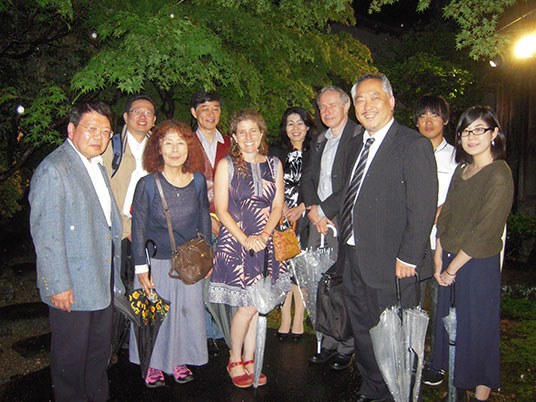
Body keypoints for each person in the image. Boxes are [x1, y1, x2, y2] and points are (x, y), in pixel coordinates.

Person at [341, 72, 438, 402]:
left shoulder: (412, 144)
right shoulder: (356, 143)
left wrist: (409, 257)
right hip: (354, 255)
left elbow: (423, 207)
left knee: (393, 334)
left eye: (374, 98)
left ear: (392, 102)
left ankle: (397, 393)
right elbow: (349, 194)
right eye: (360, 100)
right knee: (363, 330)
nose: (366, 106)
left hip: (393, 262)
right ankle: (373, 386)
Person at [29, 102, 124, 402]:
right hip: (71, 285)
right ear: (71, 130)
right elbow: (46, 235)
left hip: (99, 278)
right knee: (70, 360)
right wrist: (57, 284)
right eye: (91, 129)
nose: (99, 137)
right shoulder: (54, 169)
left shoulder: (97, 165)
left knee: (98, 353)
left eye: (106, 132)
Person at [430, 106, 514, 402]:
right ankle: (457, 386)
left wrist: (453, 269)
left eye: (480, 130)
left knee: (478, 328)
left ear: (494, 134)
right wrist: (440, 256)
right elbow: (446, 215)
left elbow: (485, 230)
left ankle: (480, 394)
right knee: (454, 327)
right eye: (466, 131)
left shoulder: (499, 174)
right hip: (450, 257)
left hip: (477, 264)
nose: (472, 137)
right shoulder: (462, 171)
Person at [208, 109, 290, 388]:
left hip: (266, 243)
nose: (248, 137)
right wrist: (246, 240)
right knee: (247, 305)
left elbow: (278, 205)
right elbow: (220, 208)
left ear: (262, 133)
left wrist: (265, 235)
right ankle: (234, 358)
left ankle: (251, 357)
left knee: (258, 304)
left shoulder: (275, 164)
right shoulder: (226, 165)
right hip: (237, 243)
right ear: (233, 136)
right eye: (241, 132)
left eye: (253, 130)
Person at [129, 120, 210, 388]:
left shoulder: (198, 180)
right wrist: (141, 268)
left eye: (181, 143)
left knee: (185, 315)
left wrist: (206, 256)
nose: (175, 149)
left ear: (189, 147)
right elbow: (138, 228)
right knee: (156, 318)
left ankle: (180, 359)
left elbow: (204, 219)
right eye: (168, 143)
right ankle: (152, 364)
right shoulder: (148, 184)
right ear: (159, 149)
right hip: (158, 264)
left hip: (188, 263)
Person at [301, 86, 360, 370]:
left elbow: (353, 182)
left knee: (341, 285)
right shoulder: (319, 139)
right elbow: (308, 177)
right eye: (322, 107)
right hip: (318, 221)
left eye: (332, 105)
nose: (326, 111)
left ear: (346, 106)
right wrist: (314, 211)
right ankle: (324, 341)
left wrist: (325, 211)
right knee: (317, 283)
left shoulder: (358, 137)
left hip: (341, 222)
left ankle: (344, 345)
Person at [412, 95, 458, 386]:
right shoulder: (407, 152)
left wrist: (436, 213)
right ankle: (413, 355)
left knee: (441, 304)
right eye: (422, 117)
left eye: (435, 116)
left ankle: (436, 362)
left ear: (446, 120)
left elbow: (459, 198)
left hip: (442, 243)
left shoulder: (457, 156)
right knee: (412, 304)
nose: (428, 122)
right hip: (412, 244)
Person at [190, 89, 232, 356]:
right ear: (194, 112)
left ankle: (221, 332)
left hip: (228, 223)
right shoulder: (183, 142)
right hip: (195, 222)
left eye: (215, 108)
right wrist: (206, 217)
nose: (210, 113)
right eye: (204, 108)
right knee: (199, 277)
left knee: (222, 279)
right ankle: (202, 335)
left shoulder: (229, 143)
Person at [269, 106, 316, 340]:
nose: (295, 128)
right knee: (283, 268)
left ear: (308, 127)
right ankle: (285, 316)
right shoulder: (275, 152)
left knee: (300, 269)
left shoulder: (316, 151)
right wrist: (281, 208)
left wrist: (303, 207)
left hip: (305, 217)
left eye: (300, 123)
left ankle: (299, 319)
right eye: (290, 123)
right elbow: (269, 184)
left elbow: (320, 185)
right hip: (279, 216)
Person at [102, 94, 158, 290]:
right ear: (126, 117)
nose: (143, 116)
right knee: (120, 289)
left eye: (148, 113)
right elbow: (102, 192)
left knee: (149, 289)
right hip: (119, 230)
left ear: (154, 120)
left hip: (151, 229)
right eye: (137, 111)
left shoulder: (161, 149)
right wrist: (129, 227)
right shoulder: (110, 147)